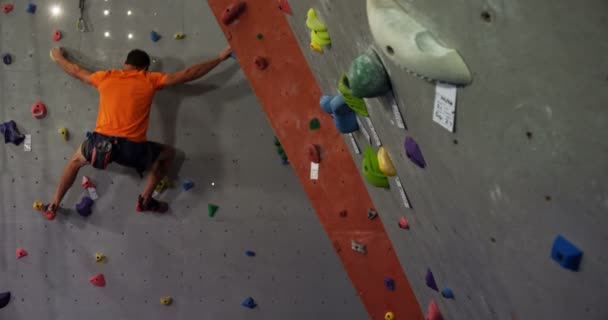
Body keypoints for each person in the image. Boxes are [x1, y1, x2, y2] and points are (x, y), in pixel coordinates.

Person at [41, 45, 233, 220]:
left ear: (125, 64)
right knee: (168, 154)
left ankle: (53, 204)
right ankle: (146, 199)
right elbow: (188, 74)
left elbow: (75, 70)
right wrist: (219, 58)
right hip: (132, 150)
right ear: (145, 69)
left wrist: (58, 56)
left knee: (75, 162)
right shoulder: (150, 79)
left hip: (100, 146)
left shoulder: (105, 77)